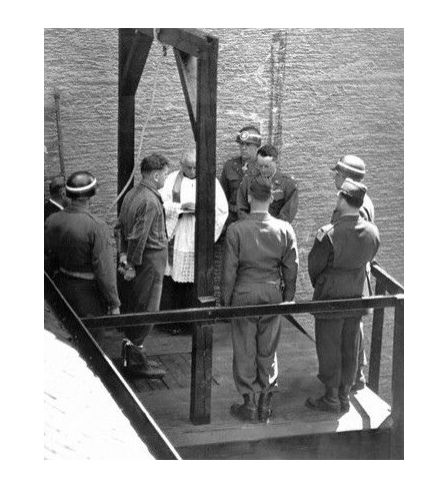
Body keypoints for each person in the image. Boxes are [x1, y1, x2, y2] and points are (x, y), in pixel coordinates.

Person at [221, 176, 298, 423]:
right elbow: (292, 268)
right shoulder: (285, 229)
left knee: (244, 349)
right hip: (272, 294)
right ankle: (266, 400)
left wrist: (226, 301)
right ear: (271, 198)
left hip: (243, 294)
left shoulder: (236, 230)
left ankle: (249, 403)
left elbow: (229, 271)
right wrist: (287, 299)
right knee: (268, 348)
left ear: (250, 198)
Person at [306, 178, 380, 413]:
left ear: (342, 199)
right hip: (357, 295)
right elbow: (371, 256)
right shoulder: (372, 231)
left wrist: (321, 283)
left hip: (330, 296)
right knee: (351, 346)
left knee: (329, 346)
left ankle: (331, 398)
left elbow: (315, 266)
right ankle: (344, 396)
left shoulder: (328, 234)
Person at [160, 148, 228, 334]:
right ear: (181, 165)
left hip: (197, 237)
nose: (191, 171)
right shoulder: (172, 179)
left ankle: (191, 324)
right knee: (173, 281)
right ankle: (172, 323)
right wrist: (180, 208)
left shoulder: (210, 181)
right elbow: (162, 203)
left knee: (193, 283)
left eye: (195, 168)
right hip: (177, 234)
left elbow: (221, 210)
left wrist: (201, 210)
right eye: (188, 167)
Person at [44, 171, 121, 333]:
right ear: (91, 195)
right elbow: (105, 271)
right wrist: (114, 303)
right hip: (88, 296)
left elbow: (48, 257)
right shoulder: (97, 227)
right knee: (92, 341)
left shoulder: (52, 220)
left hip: (61, 289)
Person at [116, 153, 170, 378]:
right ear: (156, 175)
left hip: (141, 260)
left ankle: (132, 357)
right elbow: (139, 237)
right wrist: (131, 264)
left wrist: (123, 255)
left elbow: (120, 227)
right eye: (165, 174)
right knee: (148, 308)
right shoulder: (149, 201)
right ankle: (137, 362)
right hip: (149, 261)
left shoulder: (131, 194)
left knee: (136, 305)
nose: (166, 178)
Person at [331, 154, 375, 391]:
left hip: (349, 277)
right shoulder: (364, 201)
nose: (335, 177)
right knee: (353, 326)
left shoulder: (356, 209)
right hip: (357, 274)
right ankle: (356, 374)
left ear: (348, 178)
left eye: (338, 174)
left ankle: (352, 378)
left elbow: (353, 240)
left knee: (349, 328)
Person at [237, 144, 298, 223]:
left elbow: (287, 214)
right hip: (252, 230)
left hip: (275, 231)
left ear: (276, 162)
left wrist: (270, 227)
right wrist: (253, 226)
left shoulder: (288, 185)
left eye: (266, 166)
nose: (263, 170)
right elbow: (241, 209)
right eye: (260, 166)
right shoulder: (248, 181)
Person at [220, 125, 261, 227]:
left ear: (257, 146)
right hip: (233, 219)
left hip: (255, 220)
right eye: (241, 144)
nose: (243, 148)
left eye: (248, 144)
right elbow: (222, 197)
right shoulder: (230, 166)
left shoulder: (264, 167)